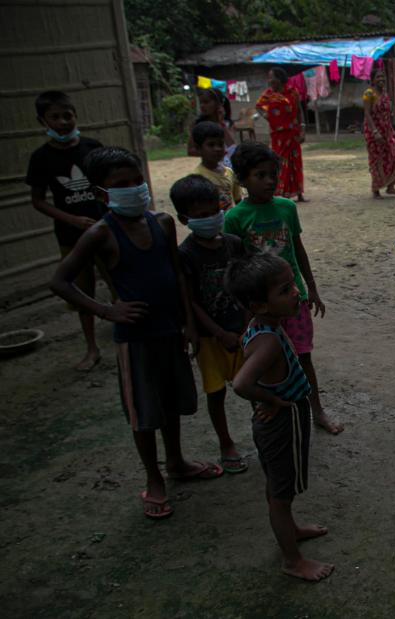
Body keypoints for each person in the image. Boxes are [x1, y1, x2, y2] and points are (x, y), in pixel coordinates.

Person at [49, 147, 223, 520]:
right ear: (101, 193)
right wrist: (107, 311)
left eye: (136, 181)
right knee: (143, 413)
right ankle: (153, 477)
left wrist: (189, 323)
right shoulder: (98, 234)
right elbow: (60, 281)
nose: (133, 189)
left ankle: (176, 461)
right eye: (120, 185)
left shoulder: (161, 223)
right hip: (135, 339)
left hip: (170, 330)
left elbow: (177, 274)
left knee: (171, 402)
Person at [226, 252, 334, 582]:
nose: (296, 294)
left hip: (280, 420)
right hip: (283, 422)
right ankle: (292, 560)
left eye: (292, 286)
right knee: (280, 495)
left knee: (279, 488)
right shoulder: (269, 341)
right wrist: (271, 398)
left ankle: (292, 529)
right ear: (259, 305)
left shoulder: (261, 325)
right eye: (285, 290)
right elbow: (242, 383)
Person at [224, 143, 344, 435]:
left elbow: (298, 250)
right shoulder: (235, 218)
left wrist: (311, 289)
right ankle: (270, 406)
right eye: (259, 175)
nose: (268, 181)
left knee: (303, 357)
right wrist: (243, 317)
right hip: (263, 309)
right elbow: (237, 270)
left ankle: (316, 410)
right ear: (242, 179)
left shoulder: (287, 208)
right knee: (265, 361)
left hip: (294, 301)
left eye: (272, 175)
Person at [171, 174, 250, 474]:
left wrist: (244, 327)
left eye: (214, 211)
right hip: (210, 338)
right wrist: (218, 333)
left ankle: (263, 431)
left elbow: (245, 288)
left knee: (253, 383)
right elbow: (189, 300)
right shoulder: (186, 254)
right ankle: (226, 443)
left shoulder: (234, 244)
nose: (211, 218)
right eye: (201, 216)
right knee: (216, 393)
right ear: (184, 218)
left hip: (241, 330)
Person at [26, 91, 110, 371]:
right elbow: (37, 201)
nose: (63, 122)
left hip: (105, 230)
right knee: (81, 292)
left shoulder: (91, 148)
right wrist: (71, 220)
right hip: (71, 236)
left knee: (120, 282)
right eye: (55, 117)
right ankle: (92, 348)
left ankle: (127, 337)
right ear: (43, 121)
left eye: (68, 115)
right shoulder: (41, 158)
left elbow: (108, 185)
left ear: (75, 115)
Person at [256, 68, 307, 202]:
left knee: (295, 163)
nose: (270, 80)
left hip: (293, 134)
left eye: (272, 77)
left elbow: (299, 112)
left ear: (279, 78)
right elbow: (259, 106)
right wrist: (267, 116)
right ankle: (282, 193)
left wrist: (302, 129)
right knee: (279, 163)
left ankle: (299, 193)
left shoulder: (293, 92)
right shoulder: (268, 95)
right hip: (277, 136)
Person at [362, 73, 395, 199]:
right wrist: (375, 132)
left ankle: (391, 187)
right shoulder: (369, 93)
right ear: (373, 80)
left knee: (394, 156)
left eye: (383, 77)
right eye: (378, 77)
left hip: (387, 130)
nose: (381, 79)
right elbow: (367, 114)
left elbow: (387, 113)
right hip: (374, 131)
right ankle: (376, 190)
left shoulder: (385, 93)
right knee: (376, 159)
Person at [190, 121, 243, 211]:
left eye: (221, 144)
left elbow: (238, 200)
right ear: (198, 148)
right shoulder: (197, 178)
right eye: (211, 145)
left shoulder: (229, 172)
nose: (217, 149)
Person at [187, 88, 236, 166]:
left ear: (218, 104)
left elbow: (232, 147)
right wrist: (211, 154)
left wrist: (221, 123)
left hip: (229, 166)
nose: (202, 106)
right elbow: (191, 151)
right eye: (201, 103)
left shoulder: (228, 124)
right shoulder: (198, 125)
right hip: (211, 167)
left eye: (206, 102)